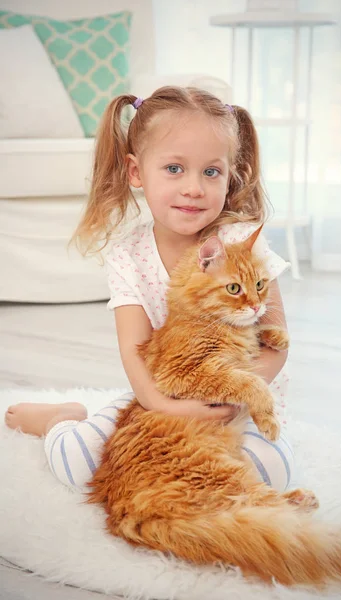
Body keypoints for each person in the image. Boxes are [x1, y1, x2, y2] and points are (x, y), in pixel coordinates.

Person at [5, 86, 294, 493]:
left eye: (211, 172)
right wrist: (165, 406)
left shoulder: (243, 241)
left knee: (267, 474)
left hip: (242, 402)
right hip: (167, 397)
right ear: (136, 171)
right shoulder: (129, 254)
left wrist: (234, 397)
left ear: (230, 177)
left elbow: (276, 342)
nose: (194, 187)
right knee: (83, 463)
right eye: (174, 169)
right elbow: (134, 350)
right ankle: (60, 418)